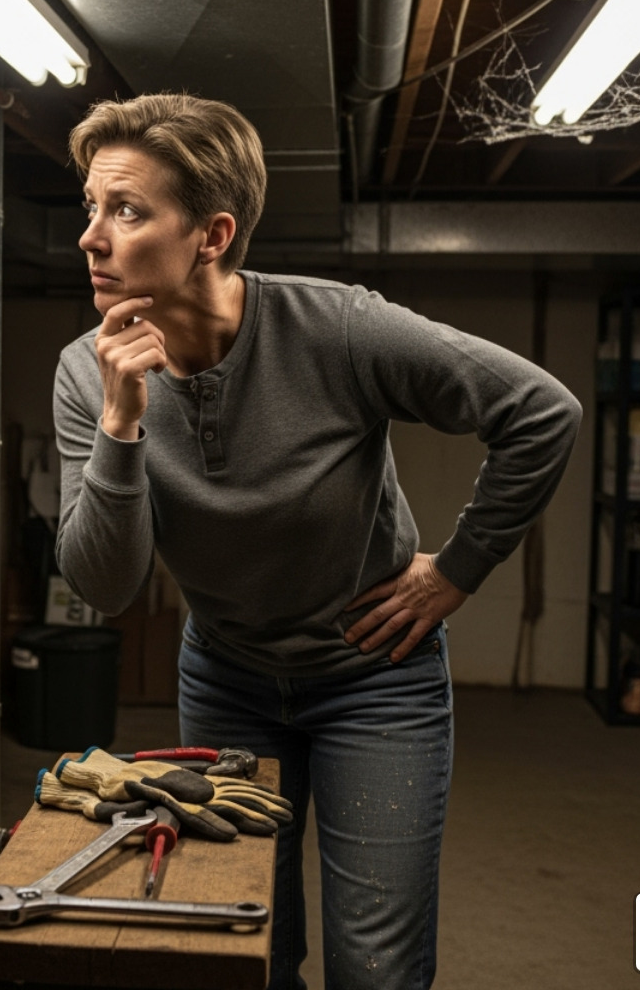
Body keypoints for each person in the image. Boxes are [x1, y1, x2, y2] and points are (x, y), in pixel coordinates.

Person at [51, 93, 582, 990]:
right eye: (91, 209)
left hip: (375, 681)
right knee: (249, 949)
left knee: (375, 969)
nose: (91, 238)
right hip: (226, 679)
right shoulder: (87, 370)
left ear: (212, 235)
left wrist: (458, 570)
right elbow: (105, 585)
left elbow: (540, 411)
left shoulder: (336, 328)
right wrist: (121, 423)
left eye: (127, 210)